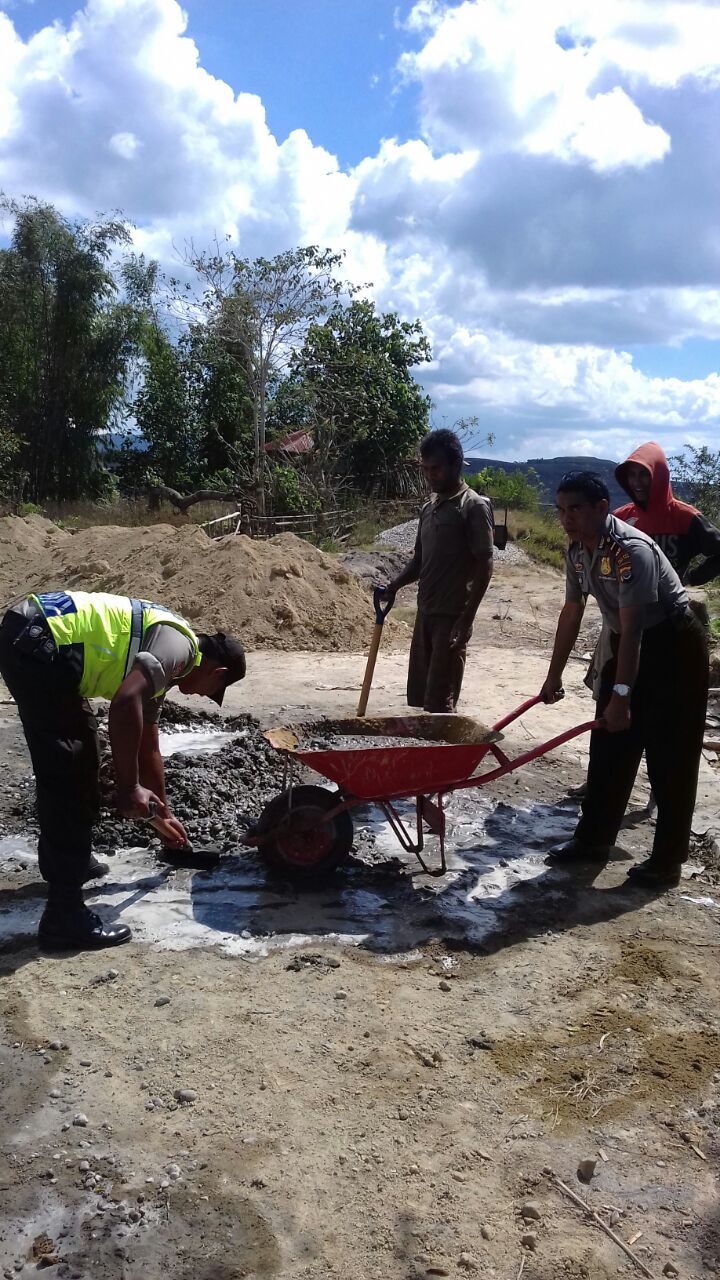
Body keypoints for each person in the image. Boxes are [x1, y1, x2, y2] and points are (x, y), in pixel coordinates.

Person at [0, 590, 246, 950]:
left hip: (39, 637)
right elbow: (125, 702)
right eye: (212, 691)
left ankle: (74, 861)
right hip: (41, 640)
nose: (200, 697)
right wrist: (130, 788)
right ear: (217, 672)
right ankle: (63, 918)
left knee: (84, 754)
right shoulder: (179, 649)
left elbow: (148, 745)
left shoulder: (165, 658)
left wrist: (162, 816)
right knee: (69, 765)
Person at [540, 472, 708, 889]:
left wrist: (621, 696)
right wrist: (553, 676)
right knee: (610, 745)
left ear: (601, 508)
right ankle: (593, 840)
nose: (567, 519)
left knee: (669, 755)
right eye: (561, 510)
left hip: (673, 645)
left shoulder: (630, 551)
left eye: (575, 509)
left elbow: (636, 631)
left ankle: (667, 862)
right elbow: (572, 611)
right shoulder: (578, 551)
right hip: (629, 640)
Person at [381, 429, 494, 713]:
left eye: (436, 469)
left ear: (455, 465)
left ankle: (443, 755)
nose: (430, 475)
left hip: (451, 617)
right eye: (426, 469)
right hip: (425, 614)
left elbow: (485, 564)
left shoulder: (473, 507)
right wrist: (394, 585)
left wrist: (466, 619)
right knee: (419, 697)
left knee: (441, 701)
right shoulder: (428, 509)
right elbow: (419, 560)